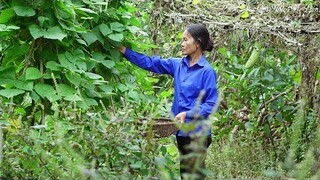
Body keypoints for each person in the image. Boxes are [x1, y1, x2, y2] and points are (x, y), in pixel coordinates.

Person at [118, 23, 218, 179]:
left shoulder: (206, 71)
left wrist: (188, 114)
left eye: (186, 40)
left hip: (198, 134)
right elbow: (151, 63)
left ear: (198, 43)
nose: (182, 44)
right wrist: (125, 52)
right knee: (186, 174)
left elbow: (211, 105)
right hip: (181, 132)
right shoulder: (178, 65)